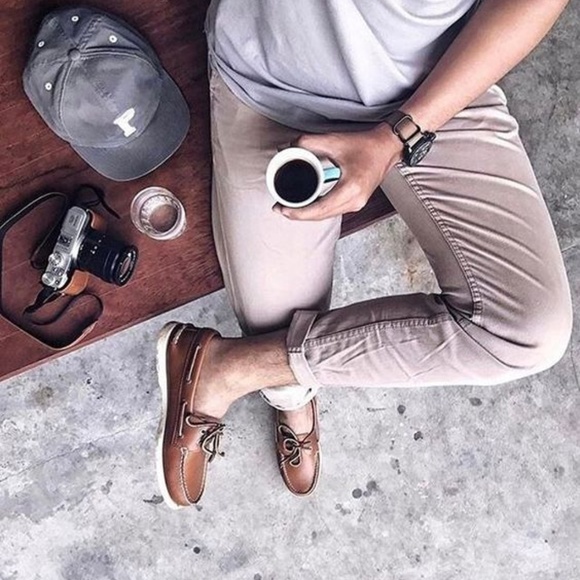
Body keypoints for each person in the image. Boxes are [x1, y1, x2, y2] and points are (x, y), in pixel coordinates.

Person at [155, 0, 573, 508]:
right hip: (277, 85)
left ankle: (233, 367)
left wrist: (397, 135)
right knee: (276, 320)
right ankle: (291, 396)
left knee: (530, 329)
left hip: (431, 83)